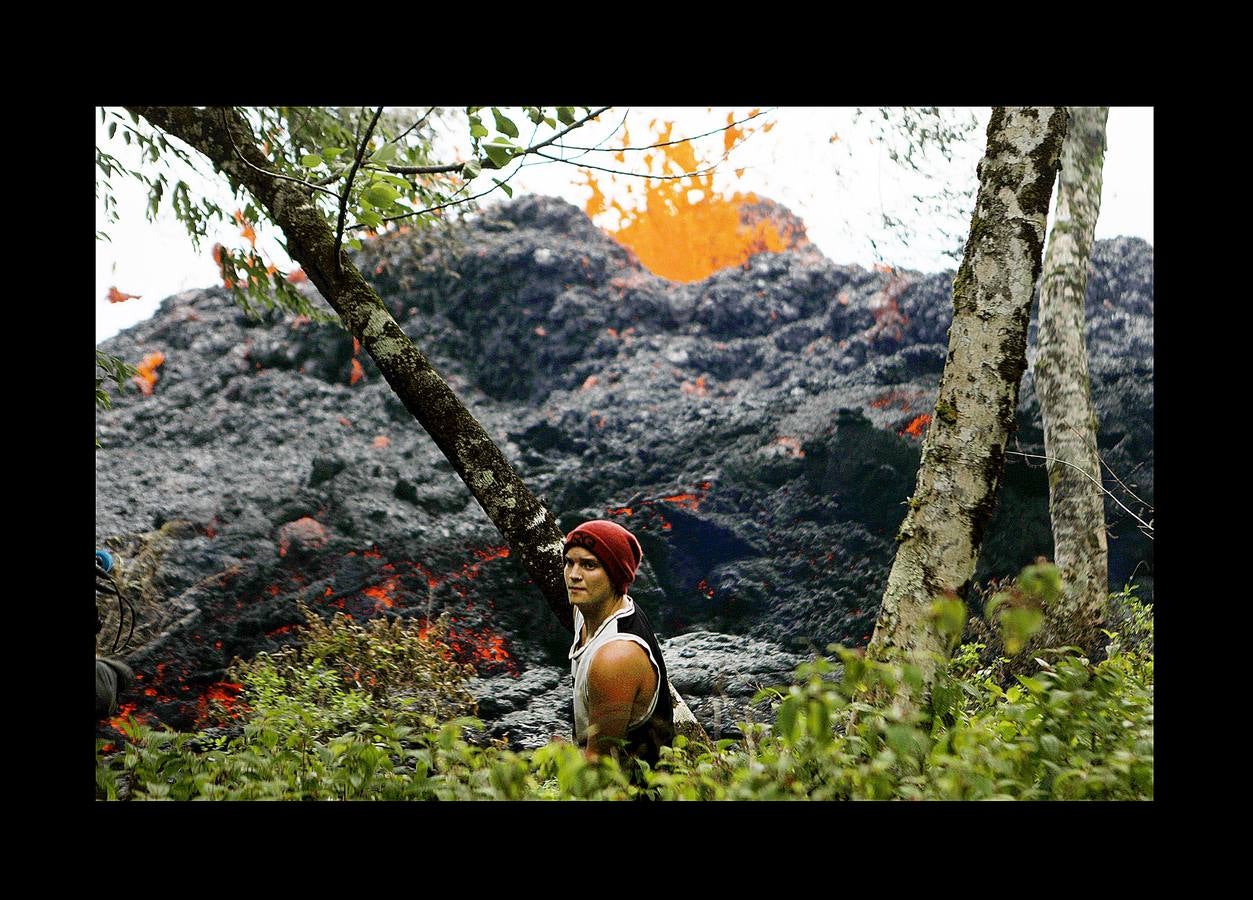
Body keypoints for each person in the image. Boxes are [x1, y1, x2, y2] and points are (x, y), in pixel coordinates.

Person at [563, 519, 673, 765]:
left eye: (589, 565)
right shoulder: (586, 610)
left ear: (614, 575)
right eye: (569, 562)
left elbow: (597, 764)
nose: (573, 575)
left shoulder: (615, 657)